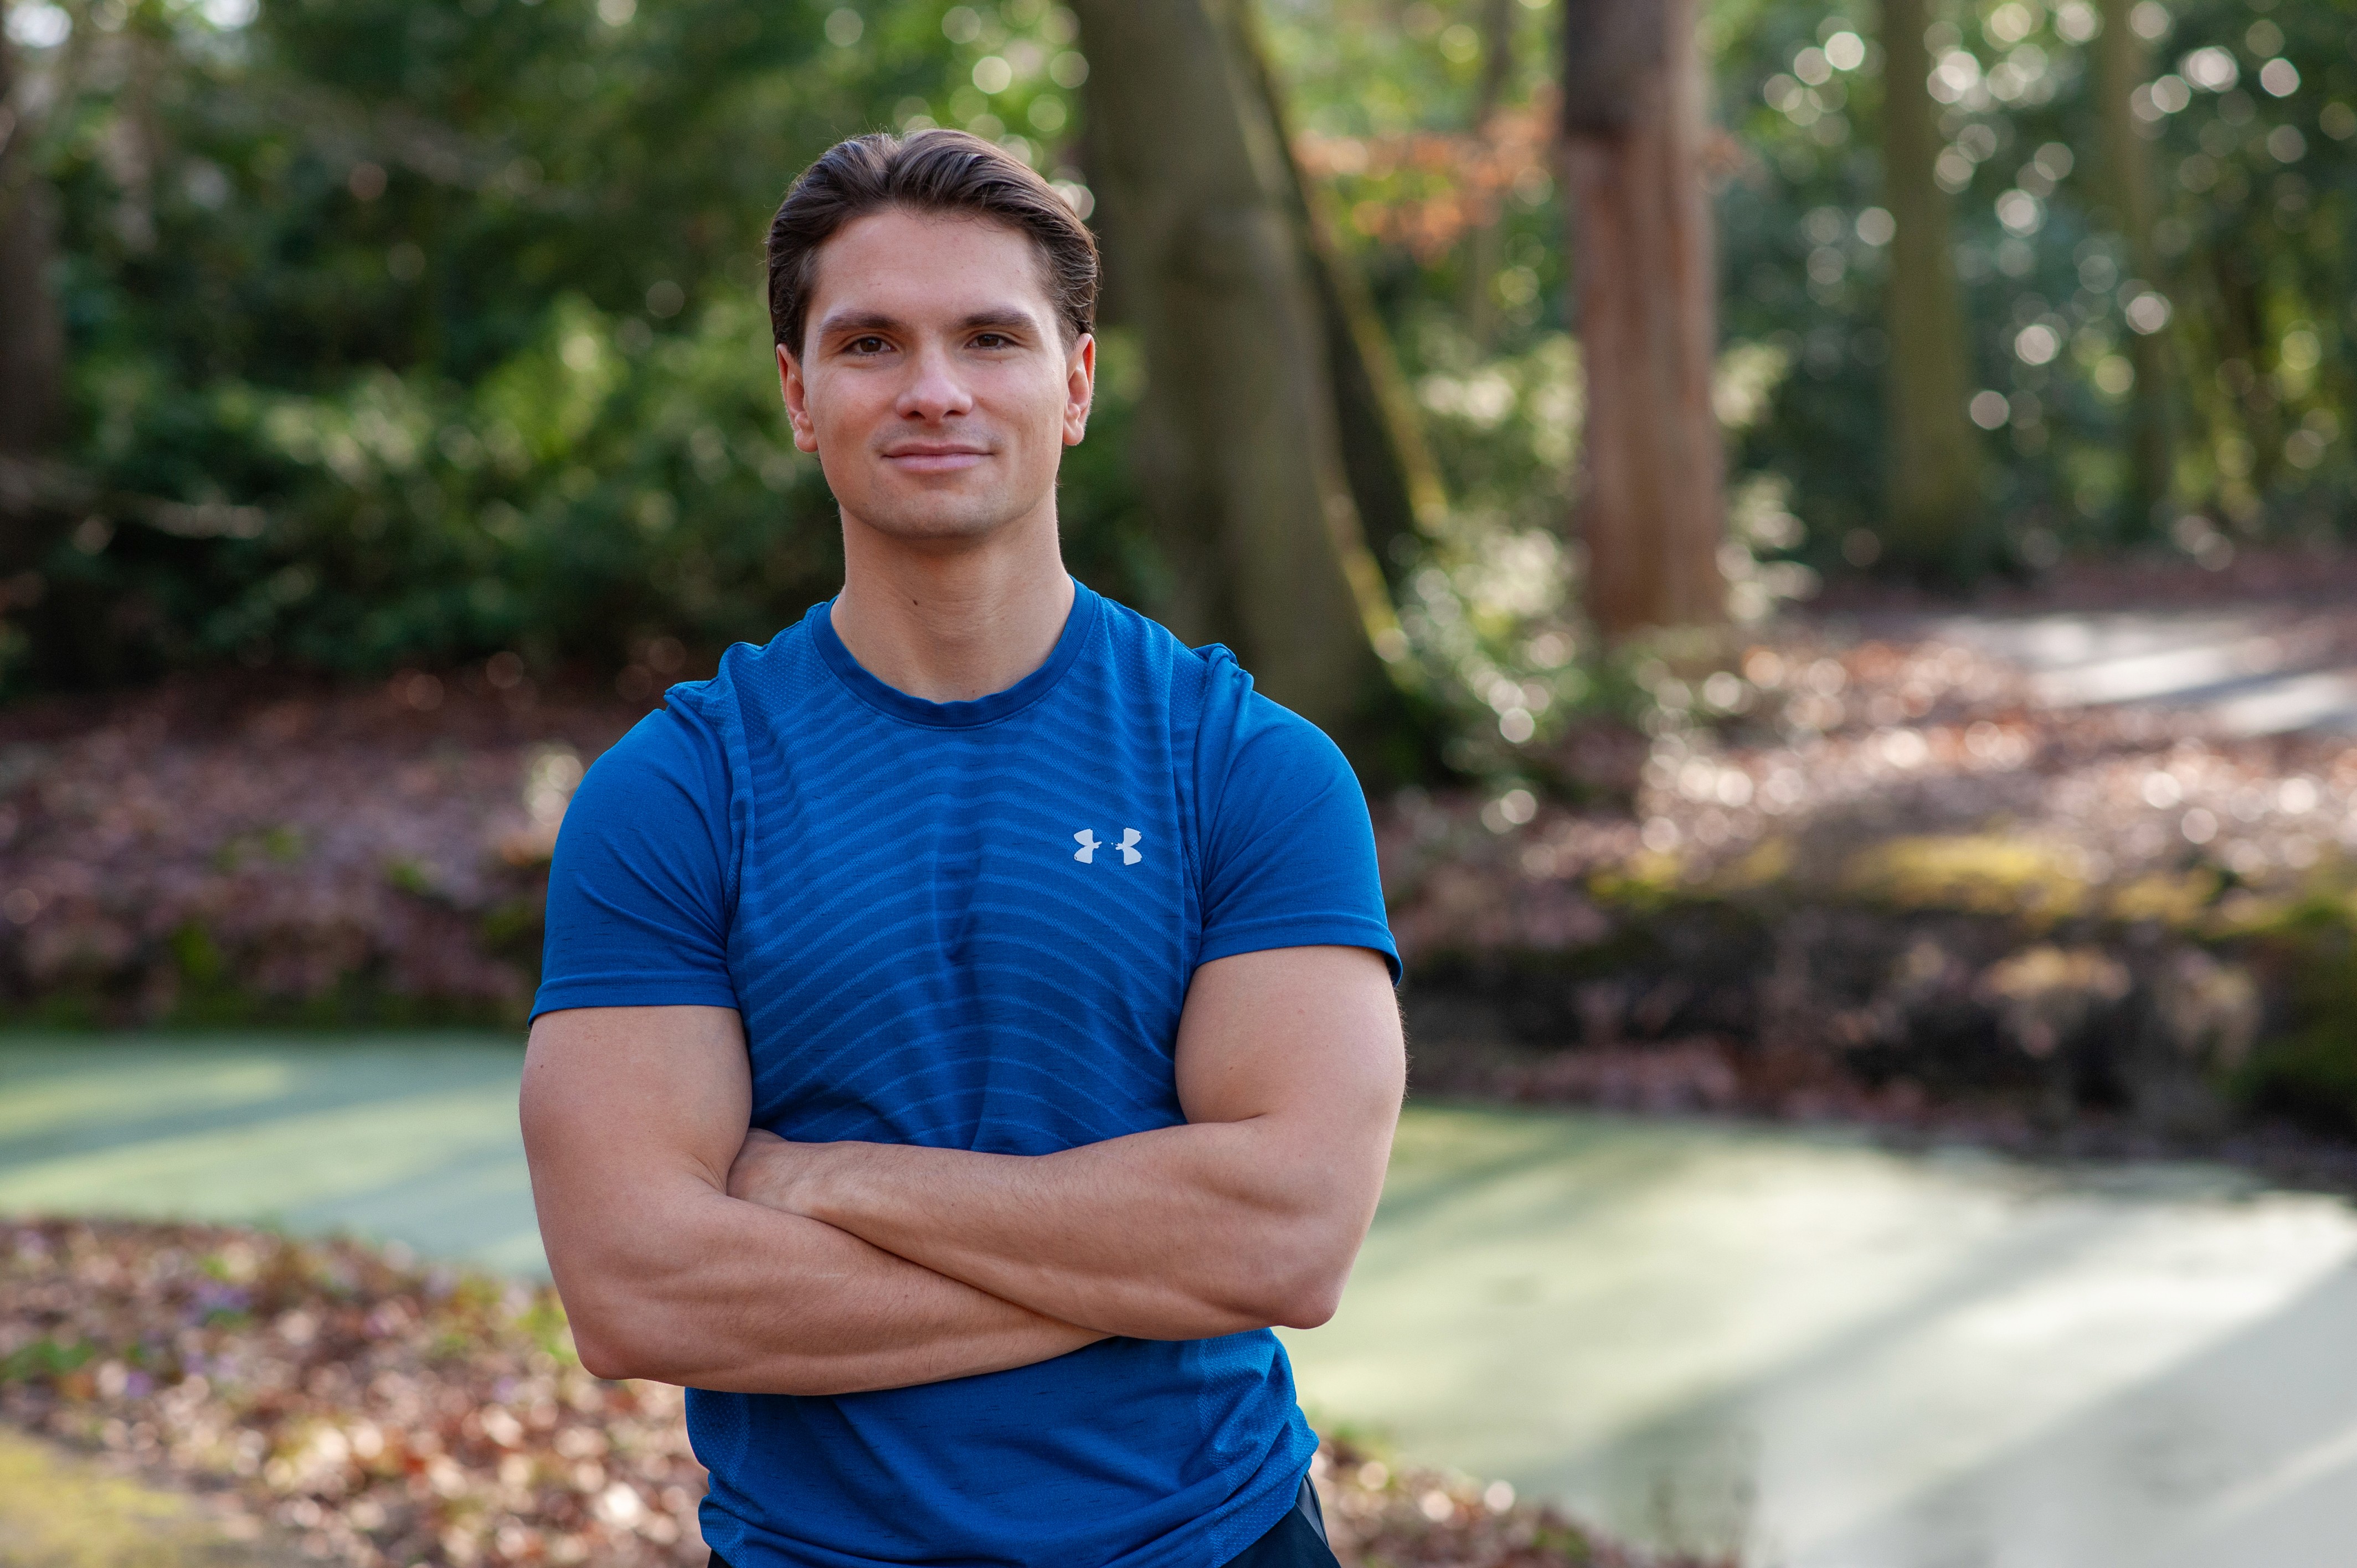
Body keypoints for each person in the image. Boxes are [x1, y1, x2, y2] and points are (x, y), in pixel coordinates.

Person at [519, 129, 1405, 1568]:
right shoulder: (677, 794)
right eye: (871, 343)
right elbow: (640, 1291)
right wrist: (1147, 1262)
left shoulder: (1251, 768)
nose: (935, 390)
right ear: (801, 397)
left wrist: (817, 1180)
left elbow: (1287, 1244)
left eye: (991, 336)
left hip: (1217, 1541)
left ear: (1077, 383)